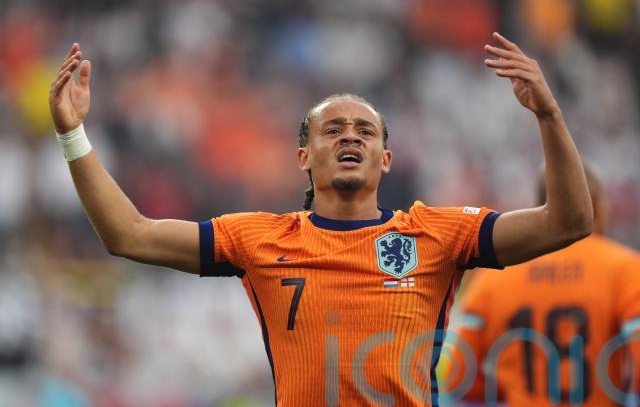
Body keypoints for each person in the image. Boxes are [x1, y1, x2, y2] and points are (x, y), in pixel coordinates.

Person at [48, 31, 592, 406]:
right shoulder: (259, 239)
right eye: (332, 130)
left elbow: (567, 222)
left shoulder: (436, 234)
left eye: (365, 131)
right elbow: (129, 234)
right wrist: (72, 134)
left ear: (386, 159)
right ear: (304, 157)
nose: (350, 136)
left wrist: (548, 114)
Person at [444, 165, 640, 406]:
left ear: (540, 209)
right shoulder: (626, 269)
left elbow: (460, 378)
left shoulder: (492, 279)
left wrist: (515, 388)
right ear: (597, 207)